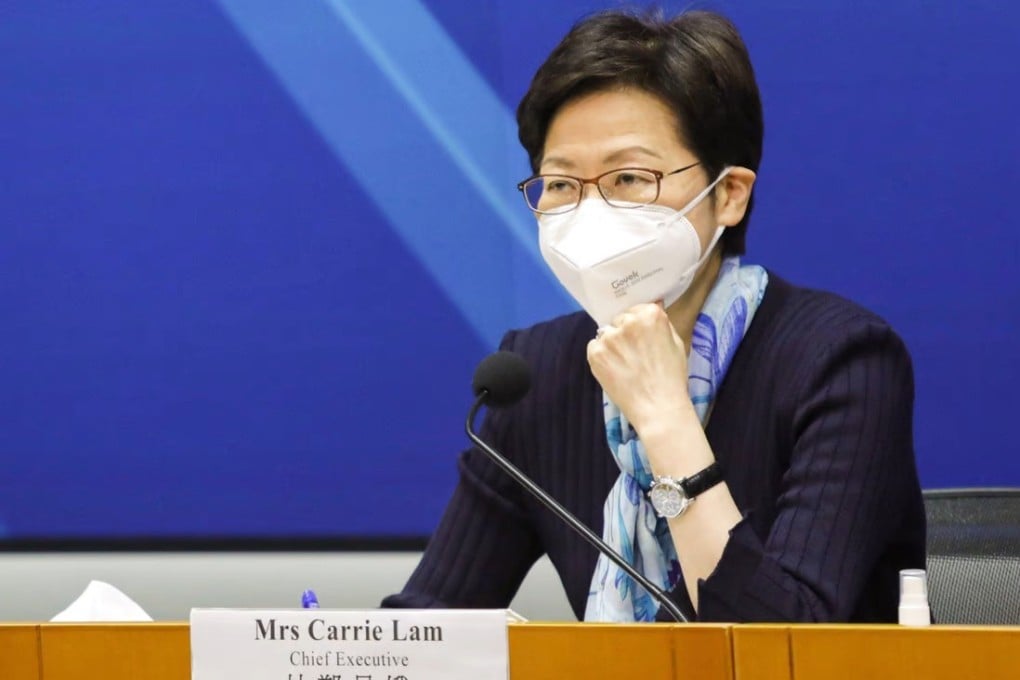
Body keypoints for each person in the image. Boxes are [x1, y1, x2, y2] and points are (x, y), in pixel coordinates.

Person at [382, 8, 926, 622]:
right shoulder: (534, 376)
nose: (589, 213)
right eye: (560, 185)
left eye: (629, 177)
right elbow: (429, 625)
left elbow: (783, 645)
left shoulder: (843, 364)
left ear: (729, 193)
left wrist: (666, 419)